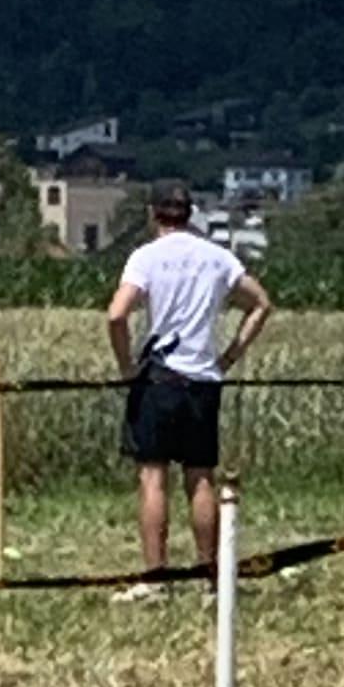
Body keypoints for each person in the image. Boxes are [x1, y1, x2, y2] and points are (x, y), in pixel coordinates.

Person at [104, 184, 270, 583]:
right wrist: (228, 357)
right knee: (200, 477)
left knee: (153, 477)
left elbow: (116, 314)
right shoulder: (217, 257)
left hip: (159, 377)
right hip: (203, 378)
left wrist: (126, 366)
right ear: (190, 213)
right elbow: (262, 304)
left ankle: (155, 576)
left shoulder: (146, 257)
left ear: (152, 213)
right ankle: (208, 573)